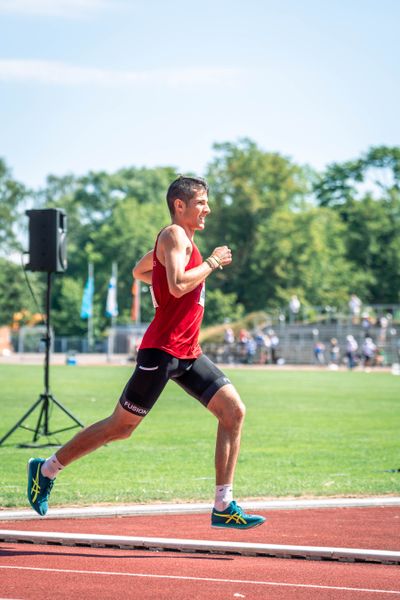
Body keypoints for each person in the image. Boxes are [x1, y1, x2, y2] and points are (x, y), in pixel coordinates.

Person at [27, 176, 265, 530]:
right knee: (120, 427)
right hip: (161, 351)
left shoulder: (184, 243)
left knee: (233, 412)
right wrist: (212, 263)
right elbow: (178, 284)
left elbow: (142, 271)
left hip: (187, 352)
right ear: (179, 205)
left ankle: (223, 504)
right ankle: (45, 470)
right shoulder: (172, 234)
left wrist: (168, 276)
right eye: (201, 202)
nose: (208, 209)